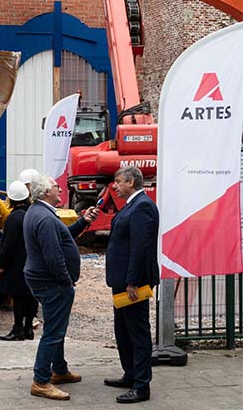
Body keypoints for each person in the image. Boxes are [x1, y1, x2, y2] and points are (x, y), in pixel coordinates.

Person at [24, 174, 99, 400]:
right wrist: (66, 281)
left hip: (44, 280)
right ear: (47, 192)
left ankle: (59, 369)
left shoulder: (39, 212)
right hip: (52, 283)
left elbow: (63, 236)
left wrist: (84, 221)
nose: (60, 189)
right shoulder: (45, 218)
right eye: (57, 187)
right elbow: (54, 256)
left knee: (56, 327)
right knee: (54, 333)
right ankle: (41, 380)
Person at [104, 167, 159, 404]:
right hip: (121, 281)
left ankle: (141, 385)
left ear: (131, 182)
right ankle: (131, 374)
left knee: (137, 333)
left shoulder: (143, 206)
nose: (114, 186)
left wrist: (133, 281)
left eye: (118, 182)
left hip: (132, 284)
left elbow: (141, 246)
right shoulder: (130, 205)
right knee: (123, 331)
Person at [0, 180, 36, 342]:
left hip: (17, 264)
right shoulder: (33, 213)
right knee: (31, 296)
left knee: (18, 297)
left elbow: (8, 244)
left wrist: (1, 262)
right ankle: (28, 329)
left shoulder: (14, 217)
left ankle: (17, 329)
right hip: (33, 262)